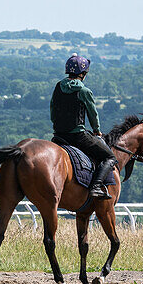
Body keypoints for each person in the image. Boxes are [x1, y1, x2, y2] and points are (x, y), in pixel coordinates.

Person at [50, 54, 115, 199]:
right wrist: (97, 130)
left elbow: (53, 110)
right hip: (77, 136)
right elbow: (93, 114)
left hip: (58, 136)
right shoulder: (84, 91)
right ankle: (96, 187)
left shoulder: (58, 87)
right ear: (83, 73)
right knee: (110, 157)